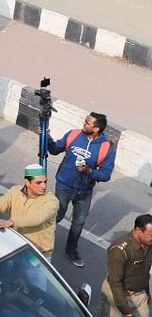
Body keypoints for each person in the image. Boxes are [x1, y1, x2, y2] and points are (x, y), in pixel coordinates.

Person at [47, 112, 114, 268]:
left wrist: (89, 171)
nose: (83, 124)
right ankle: (41, 239)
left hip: (84, 191)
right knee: (56, 215)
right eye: (85, 121)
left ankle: (71, 250)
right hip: (63, 185)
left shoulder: (106, 148)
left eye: (87, 123)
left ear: (96, 128)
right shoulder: (74, 134)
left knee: (79, 222)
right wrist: (47, 137)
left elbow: (106, 174)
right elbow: (55, 149)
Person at [0, 164, 58, 256]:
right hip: (16, 246)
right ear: (27, 182)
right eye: (38, 183)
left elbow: (37, 218)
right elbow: (2, 203)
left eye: (45, 182)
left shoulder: (51, 200)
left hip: (37, 253)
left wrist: (10, 222)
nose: (43, 186)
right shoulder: (15, 191)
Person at [101, 215, 152, 317]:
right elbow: (115, 282)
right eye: (149, 234)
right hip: (116, 294)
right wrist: (127, 315)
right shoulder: (119, 250)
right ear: (137, 230)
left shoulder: (148, 244)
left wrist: (147, 292)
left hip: (139, 295)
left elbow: (144, 270)